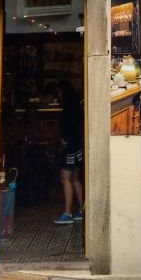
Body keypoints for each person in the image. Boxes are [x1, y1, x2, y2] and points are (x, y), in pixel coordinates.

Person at [54, 81, 84, 225]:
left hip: (70, 146)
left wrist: (64, 141)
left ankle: (67, 213)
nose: (58, 95)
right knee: (75, 178)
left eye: (59, 92)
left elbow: (66, 129)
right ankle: (82, 210)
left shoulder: (68, 109)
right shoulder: (77, 106)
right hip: (78, 146)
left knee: (65, 178)